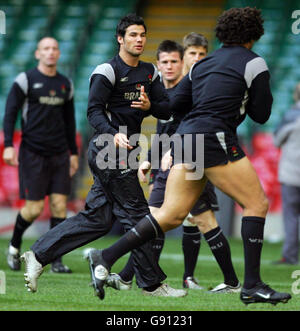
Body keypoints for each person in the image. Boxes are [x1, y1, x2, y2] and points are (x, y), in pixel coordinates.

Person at [86, 7, 292, 306]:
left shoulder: (201, 65)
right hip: (214, 139)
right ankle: (252, 285)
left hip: (186, 140)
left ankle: (105, 256)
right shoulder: (254, 62)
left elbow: (172, 105)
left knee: (170, 215)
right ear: (254, 34)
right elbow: (261, 115)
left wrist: (150, 108)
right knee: (256, 203)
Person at [21, 14, 187, 298]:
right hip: (109, 146)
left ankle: (38, 254)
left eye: (142, 35)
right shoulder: (106, 71)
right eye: (133, 35)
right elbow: (93, 112)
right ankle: (151, 284)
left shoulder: (150, 72)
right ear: (120, 39)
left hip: (128, 148)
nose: (139, 40)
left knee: (97, 218)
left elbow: (166, 108)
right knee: (139, 215)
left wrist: (149, 105)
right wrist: (113, 133)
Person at [106, 37, 240, 293]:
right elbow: (163, 132)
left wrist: (175, 152)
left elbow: (193, 129)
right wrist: (150, 159)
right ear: (158, 64)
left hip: (190, 161)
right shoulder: (165, 93)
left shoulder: (192, 91)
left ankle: (228, 282)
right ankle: (126, 277)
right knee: (157, 221)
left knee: (192, 221)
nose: (170, 66)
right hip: (169, 165)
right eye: (165, 62)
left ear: (182, 63)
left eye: (175, 61)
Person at [3, 37, 79, 274]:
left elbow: (69, 121)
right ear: (38, 54)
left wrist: (74, 153)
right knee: (34, 209)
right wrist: (8, 145)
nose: (51, 52)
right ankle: (14, 245)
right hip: (33, 153)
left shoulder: (66, 84)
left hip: (59, 154)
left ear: (58, 53)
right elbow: (10, 113)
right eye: (46, 48)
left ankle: (56, 259)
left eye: (55, 48)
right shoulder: (25, 80)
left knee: (59, 206)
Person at [273, 83, 300, 265]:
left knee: (291, 216)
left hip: (292, 173)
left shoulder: (291, 115)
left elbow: (277, 140)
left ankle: (290, 256)